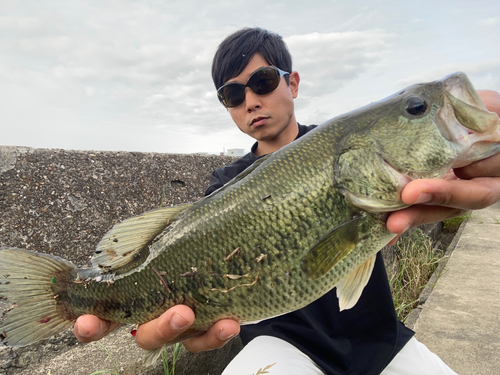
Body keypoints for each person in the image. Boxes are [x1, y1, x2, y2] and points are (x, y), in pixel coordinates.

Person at [74, 28, 500, 374]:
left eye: (262, 82)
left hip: (382, 343)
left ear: (291, 83)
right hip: (280, 349)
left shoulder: (340, 145)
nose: (251, 101)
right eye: (232, 94)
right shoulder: (223, 186)